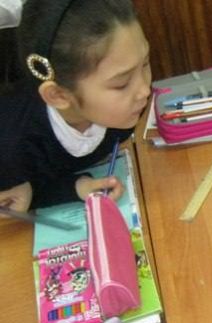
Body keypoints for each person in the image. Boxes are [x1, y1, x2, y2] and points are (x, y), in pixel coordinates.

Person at [0, 0, 151, 212]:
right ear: (58, 95)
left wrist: (76, 187)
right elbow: (15, 196)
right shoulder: (11, 151)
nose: (144, 90)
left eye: (145, 64)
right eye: (122, 83)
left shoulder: (124, 113)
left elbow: (40, 183)